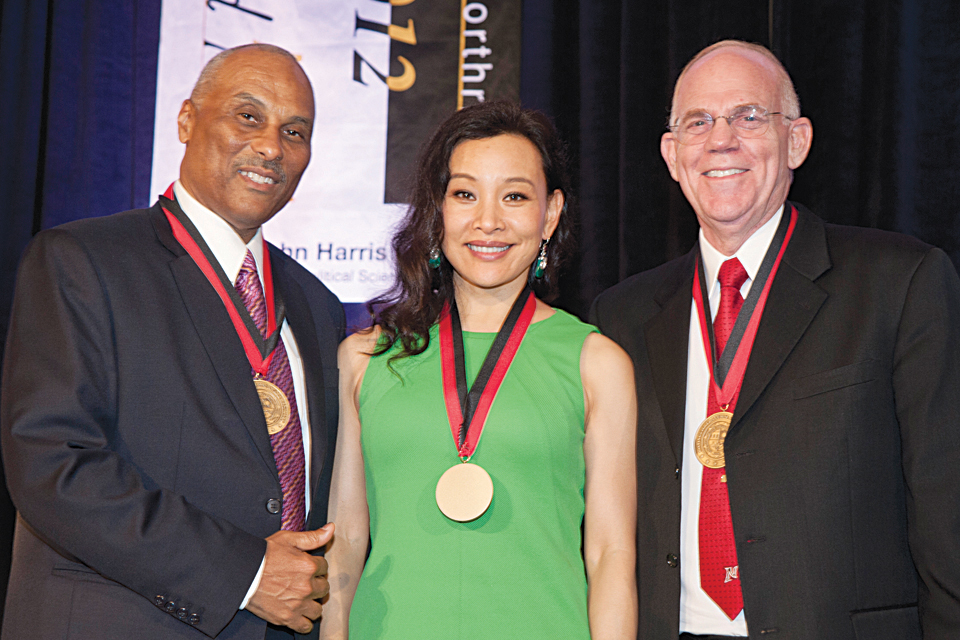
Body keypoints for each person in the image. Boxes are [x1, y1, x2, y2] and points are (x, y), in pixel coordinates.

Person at [591, 39, 960, 640]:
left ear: (797, 141)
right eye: (698, 122)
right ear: (672, 154)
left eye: (748, 116)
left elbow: (948, 513)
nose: (721, 140)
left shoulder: (899, 283)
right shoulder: (622, 316)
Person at [0, 44, 344, 639]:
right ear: (186, 120)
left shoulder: (319, 305)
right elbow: (53, 464)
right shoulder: (83, 261)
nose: (271, 146)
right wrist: (246, 572)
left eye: (295, 131)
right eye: (248, 116)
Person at [320, 101, 637, 639]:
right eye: (465, 194)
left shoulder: (596, 362)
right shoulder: (365, 357)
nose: (488, 220)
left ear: (551, 213)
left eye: (515, 196)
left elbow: (610, 554)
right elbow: (346, 539)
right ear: (437, 208)